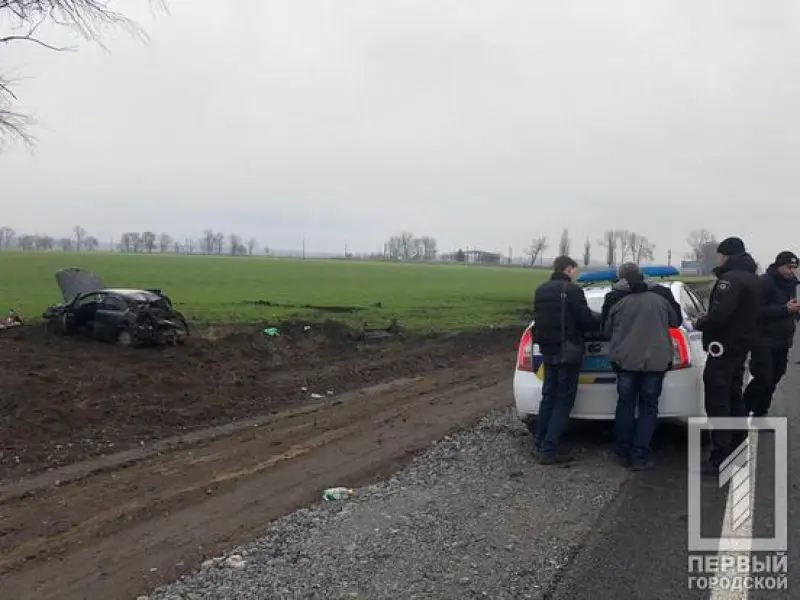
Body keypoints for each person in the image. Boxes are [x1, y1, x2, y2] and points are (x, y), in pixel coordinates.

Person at [601, 262, 682, 470]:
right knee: (648, 406)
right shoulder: (663, 293)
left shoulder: (613, 297)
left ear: (621, 277)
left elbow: (605, 330)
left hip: (625, 360)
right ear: (642, 274)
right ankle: (640, 456)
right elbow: (676, 321)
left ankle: (622, 453)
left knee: (625, 404)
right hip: (656, 360)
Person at [693, 237, 761, 474]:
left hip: (723, 348)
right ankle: (737, 449)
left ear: (726, 255)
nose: (719, 259)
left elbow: (720, 315)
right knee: (734, 398)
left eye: (720, 255)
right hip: (740, 347)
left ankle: (720, 456)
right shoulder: (753, 278)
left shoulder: (730, 280)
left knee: (718, 402)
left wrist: (699, 323)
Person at [531, 255, 600, 464]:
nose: (575, 274)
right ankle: (549, 450)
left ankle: (538, 442)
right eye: (574, 270)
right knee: (563, 400)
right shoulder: (572, 290)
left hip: (548, 350)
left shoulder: (541, 290)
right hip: (568, 352)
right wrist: (601, 319)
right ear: (568, 269)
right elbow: (585, 320)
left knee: (548, 397)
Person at [742, 251, 800, 417]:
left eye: (794, 267)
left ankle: (761, 411)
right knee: (764, 377)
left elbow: (791, 308)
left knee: (776, 376)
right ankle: (744, 407)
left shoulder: (792, 284)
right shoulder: (764, 283)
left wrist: (795, 311)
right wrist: (784, 309)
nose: (792, 271)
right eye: (788, 267)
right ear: (779, 265)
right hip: (763, 339)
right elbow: (756, 311)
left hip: (783, 340)